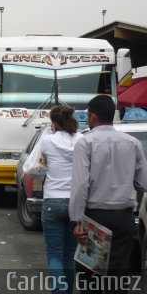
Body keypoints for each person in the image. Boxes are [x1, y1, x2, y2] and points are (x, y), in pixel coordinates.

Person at [69, 95, 147, 287]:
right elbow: (143, 182)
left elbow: (80, 184)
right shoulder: (132, 143)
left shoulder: (85, 142)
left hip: (95, 215)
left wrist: (76, 220)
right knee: (118, 273)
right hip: (123, 216)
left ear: (93, 116)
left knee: (90, 273)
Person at [38, 106, 83, 294]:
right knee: (70, 254)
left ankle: (59, 291)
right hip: (75, 202)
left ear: (54, 123)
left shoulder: (47, 140)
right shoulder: (82, 140)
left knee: (54, 254)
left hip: (52, 201)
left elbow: (42, 166)